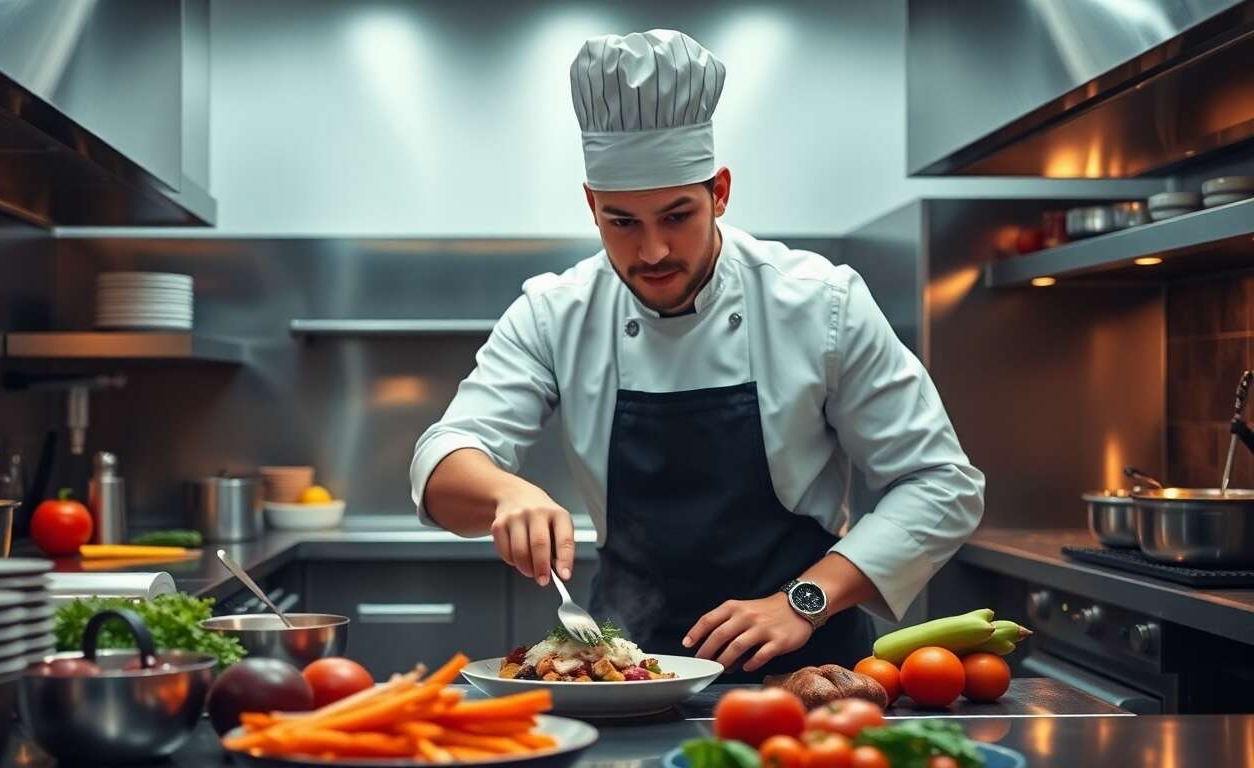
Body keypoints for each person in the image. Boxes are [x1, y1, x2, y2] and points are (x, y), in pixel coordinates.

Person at [411, 29, 984, 680]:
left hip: (807, 674)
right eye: (622, 222)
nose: (652, 250)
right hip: (626, 674)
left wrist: (805, 599)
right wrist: (504, 491)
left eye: (677, 215)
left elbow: (943, 483)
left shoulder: (818, 303)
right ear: (592, 206)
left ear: (720, 192)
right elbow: (441, 459)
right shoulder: (555, 312)